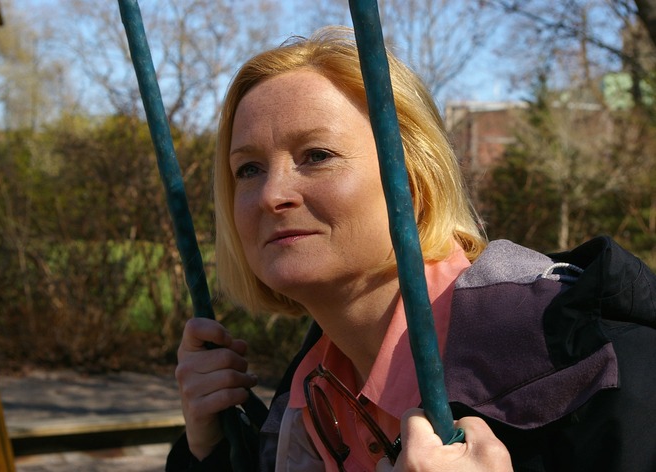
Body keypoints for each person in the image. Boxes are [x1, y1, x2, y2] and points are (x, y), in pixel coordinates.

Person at [166, 26, 656, 472]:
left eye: (317, 156)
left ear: (415, 181)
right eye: (247, 169)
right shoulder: (302, 403)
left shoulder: (606, 373)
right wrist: (209, 451)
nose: (273, 195)